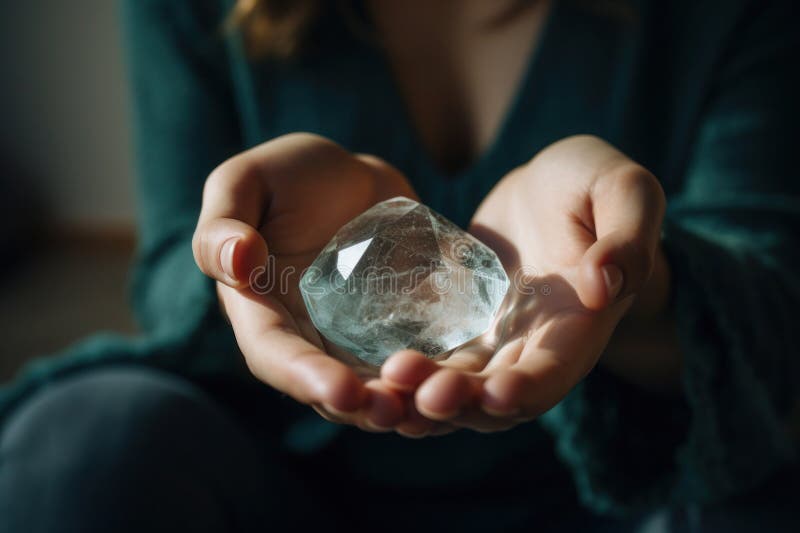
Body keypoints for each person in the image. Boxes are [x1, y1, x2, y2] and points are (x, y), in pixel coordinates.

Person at [1, 0, 798, 531]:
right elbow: (174, 261)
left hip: (627, 492)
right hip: (290, 473)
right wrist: (250, 265)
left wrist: (637, 280)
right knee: (84, 445)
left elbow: (777, 314)